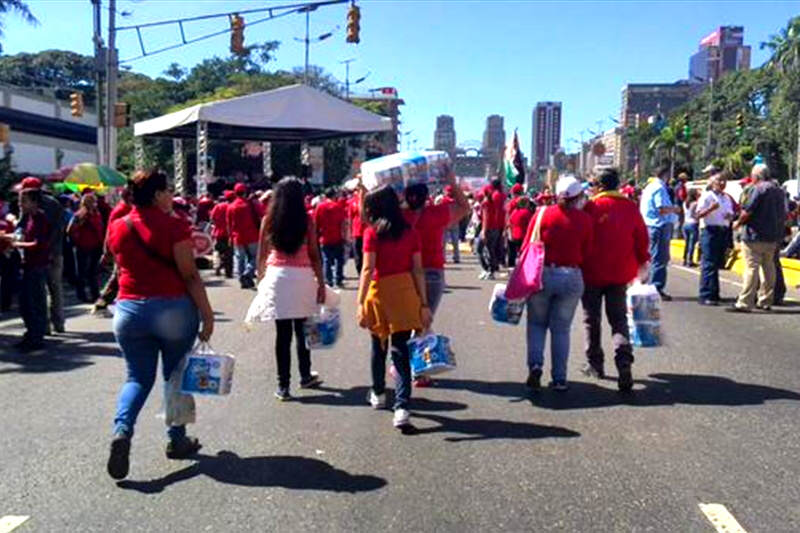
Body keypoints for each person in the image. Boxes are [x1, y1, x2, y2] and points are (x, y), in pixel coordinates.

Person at [104, 169, 214, 480]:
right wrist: (207, 315)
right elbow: (190, 275)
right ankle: (176, 440)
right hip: (172, 312)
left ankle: (122, 430)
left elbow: (119, 264)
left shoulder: (118, 225)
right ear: (156, 195)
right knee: (175, 375)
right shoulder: (175, 225)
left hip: (128, 312)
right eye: (167, 190)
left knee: (136, 378)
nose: (171, 195)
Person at [357, 185, 432, 429]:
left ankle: (378, 393)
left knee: (378, 346)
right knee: (401, 352)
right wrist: (424, 303)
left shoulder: (372, 233)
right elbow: (418, 269)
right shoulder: (411, 232)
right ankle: (402, 407)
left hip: (379, 293)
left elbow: (368, 269)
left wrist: (359, 302)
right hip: (405, 293)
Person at [247, 177, 325, 401]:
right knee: (303, 331)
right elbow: (314, 255)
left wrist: (262, 280)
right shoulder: (307, 220)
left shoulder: (269, 220)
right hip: (302, 278)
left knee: (283, 335)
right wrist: (320, 282)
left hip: (278, 278)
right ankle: (305, 375)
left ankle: (283, 386)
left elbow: (262, 255)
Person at [581, 168, 650, 392]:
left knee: (592, 319)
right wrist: (642, 262)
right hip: (620, 273)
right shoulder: (631, 207)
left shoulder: (590, 207)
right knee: (618, 319)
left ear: (599, 186)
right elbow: (642, 239)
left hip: (591, 272)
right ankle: (623, 363)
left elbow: (581, 238)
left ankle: (595, 364)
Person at [523, 176, 593, 392]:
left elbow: (526, 245)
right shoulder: (585, 220)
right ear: (577, 197)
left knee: (536, 324)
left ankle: (535, 366)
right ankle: (560, 378)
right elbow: (588, 252)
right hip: (571, 276)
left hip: (542, 274)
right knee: (561, 329)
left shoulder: (541, 214)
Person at [403, 171, 470, 315]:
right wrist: (452, 182)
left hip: (406, 273)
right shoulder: (436, 213)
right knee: (424, 322)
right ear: (427, 197)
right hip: (433, 271)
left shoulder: (399, 217)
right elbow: (465, 208)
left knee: (404, 326)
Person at [728, 164, 787, 312]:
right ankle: (766, 300)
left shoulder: (758, 189)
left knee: (751, 268)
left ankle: (745, 301)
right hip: (773, 235)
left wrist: (737, 223)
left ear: (756, 176)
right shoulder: (779, 191)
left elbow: (748, 210)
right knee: (769, 268)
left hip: (754, 235)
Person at [2, 188, 51, 351]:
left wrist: (16, 244)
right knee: (24, 303)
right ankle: (30, 334)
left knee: (33, 303)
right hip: (28, 265)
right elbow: (23, 235)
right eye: (19, 201)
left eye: (24, 201)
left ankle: (36, 338)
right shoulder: (29, 218)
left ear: (34, 202)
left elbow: (38, 244)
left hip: (36, 266)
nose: (20, 204)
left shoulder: (41, 219)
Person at [18, 177, 65, 334]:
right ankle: (58, 323)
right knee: (54, 289)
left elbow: (23, 227)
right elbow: (60, 229)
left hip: (43, 253)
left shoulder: (37, 209)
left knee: (40, 291)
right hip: (55, 251)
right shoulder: (54, 203)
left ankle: (44, 327)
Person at [640, 164, 681, 300]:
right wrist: (674, 209)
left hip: (652, 226)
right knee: (660, 258)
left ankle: (649, 286)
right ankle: (656, 288)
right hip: (659, 226)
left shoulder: (650, 187)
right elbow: (662, 209)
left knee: (654, 257)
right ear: (666, 174)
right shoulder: (659, 188)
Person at [695, 173, 735, 305]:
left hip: (722, 231)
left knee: (717, 263)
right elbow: (698, 214)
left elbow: (730, 213)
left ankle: (714, 293)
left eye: (724, 181)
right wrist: (710, 209)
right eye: (719, 180)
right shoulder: (707, 196)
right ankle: (706, 294)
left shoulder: (726, 198)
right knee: (708, 263)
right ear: (712, 183)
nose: (722, 183)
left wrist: (730, 216)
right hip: (709, 231)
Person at [93, 189, 133, 314]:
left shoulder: (126, 209)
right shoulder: (120, 211)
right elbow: (111, 232)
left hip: (127, 248)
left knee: (119, 276)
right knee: (118, 276)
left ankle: (104, 302)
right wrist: (108, 251)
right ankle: (102, 302)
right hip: (120, 248)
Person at [68, 193, 105, 304]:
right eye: (91, 201)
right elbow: (70, 230)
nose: (94, 203)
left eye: (94, 201)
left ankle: (95, 294)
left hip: (96, 245)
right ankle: (82, 295)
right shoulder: (80, 215)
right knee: (82, 272)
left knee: (93, 272)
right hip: (83, 246)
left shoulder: (96, 213)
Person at [226, 183, 261, 289]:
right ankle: (248, 273)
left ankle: (241, 278)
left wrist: (230, 237)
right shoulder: (251, 205)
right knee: (254, 257)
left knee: (239, 258)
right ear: (245, 192)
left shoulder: (231, 207)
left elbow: (229, 224)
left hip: (238, 236)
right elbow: (260, 216)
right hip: (252, 235)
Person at [314, 189, 347, 288]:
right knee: (339, 259)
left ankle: (328, 280)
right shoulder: (338, 206)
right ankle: (338, 279)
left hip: (324, 237)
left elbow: (316, 222)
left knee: (326, 259)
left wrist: (316, 235)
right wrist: (344, 236)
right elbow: (342, 223)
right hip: (337, 236)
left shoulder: (320, 207)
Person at [479, 178, 506, 280]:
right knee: (492, 249)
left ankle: (488, 269)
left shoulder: (489, 201)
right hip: (498, 226)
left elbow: (486, 217)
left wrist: (484, 231)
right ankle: (491, 269)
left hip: (490, 227)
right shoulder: (502, 196)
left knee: (482, 249)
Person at [210, 190, 234, 278]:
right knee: (229, 253)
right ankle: (228, 272)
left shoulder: (218, 206)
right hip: (229, 234)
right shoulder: (232, 206)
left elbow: (212, 218)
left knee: (217, 251)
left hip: (218, 232)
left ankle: (217, 266)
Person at [507, 197, 533, 267]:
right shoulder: (527, 212)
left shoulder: (514, 212)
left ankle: (511, 267)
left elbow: (509, 223)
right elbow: (530, 223)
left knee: (512, 253)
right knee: (522, 253)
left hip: (514, 235)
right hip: (523, 235)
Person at [348, 190, 365, 275]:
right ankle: (360, 274)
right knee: (358, 257)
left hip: (366, 232)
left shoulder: (368, 199)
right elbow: (350, 218)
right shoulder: (352, 202)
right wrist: (350, 232)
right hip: (356, 233)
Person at [682, 189, 700, 267]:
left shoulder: (685, 203)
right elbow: (694, 214)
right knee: (692, 244)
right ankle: (690, 260)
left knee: (687, 243)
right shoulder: (695, 204)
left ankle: (685, 259)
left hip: (685, 223)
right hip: (693, 224)